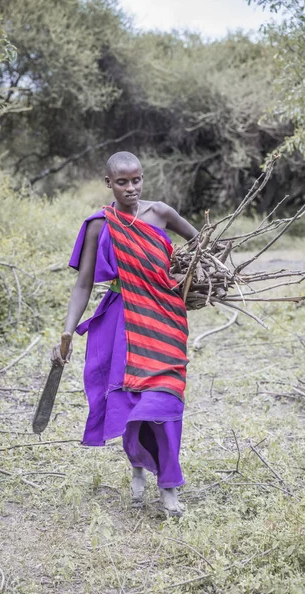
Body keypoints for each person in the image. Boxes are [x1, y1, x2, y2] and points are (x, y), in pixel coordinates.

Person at [52, 151, 198, 516]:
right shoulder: (100, 225)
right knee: (130, 401)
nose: (131, 188)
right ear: (109, 184)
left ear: (143, 179)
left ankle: (168, 488)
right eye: (122, 182)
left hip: (165, 319)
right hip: (122, 321)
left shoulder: (162, 213)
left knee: (165, 401)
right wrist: (67, 334)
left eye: (136, 180)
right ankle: (137, 467)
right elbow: (84, 284)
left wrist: (187, 279)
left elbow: (202, 246)